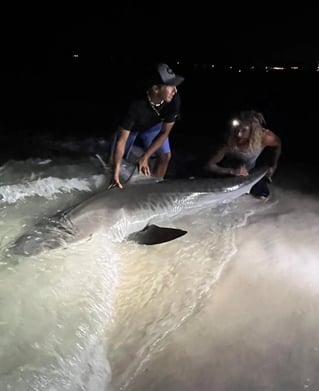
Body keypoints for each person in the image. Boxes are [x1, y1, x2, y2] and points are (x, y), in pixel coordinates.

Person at [109, 62, 184, 189]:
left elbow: (164, 132)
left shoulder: (174, 100)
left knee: (165, 156)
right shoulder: (135, 104)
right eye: (171, 86)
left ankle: (153, 188)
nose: (175, 90)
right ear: (156, 89)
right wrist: (115, 173)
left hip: (153, 127)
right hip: (131, 129)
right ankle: (116, 183)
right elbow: (121, 142)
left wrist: (145, 156)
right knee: (115, 162)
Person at [204, 110, 282, 199]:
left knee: (263, 196)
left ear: (253, 131)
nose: (239, 134)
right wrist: (232, 171)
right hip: (227, 174)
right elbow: (209, 165)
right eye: (237, 129)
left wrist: (273, 165)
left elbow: (278, 144)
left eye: (244, 130)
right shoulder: (229, 142)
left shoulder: (266, 138)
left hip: (249, 173)